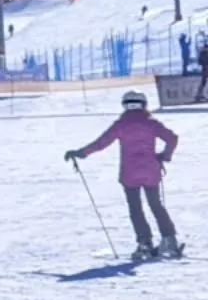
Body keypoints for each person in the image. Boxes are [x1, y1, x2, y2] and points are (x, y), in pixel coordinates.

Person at [66, 90, 181, 259]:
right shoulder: (151, 123)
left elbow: (101, 143)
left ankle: (144, 244)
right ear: (144, 104)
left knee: (136, 209)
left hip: (130, 173)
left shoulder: (121, 125)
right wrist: (165, 156)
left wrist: (81, 153)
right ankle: (169, 241)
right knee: (156, 205)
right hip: (151, 170)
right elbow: (172, 138)